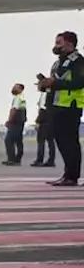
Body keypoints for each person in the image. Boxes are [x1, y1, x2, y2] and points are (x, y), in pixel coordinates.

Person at [42, 31, 84, 187]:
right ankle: (68, 174)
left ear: (69, 44)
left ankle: (72, 176)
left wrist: (54, 84)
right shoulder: (60, 62)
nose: (56, 46)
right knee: (61, 141)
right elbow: (56, 81)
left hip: (70, 107)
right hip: (58, 106)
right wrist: (45, 85)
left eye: (59, 43)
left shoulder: (78, 61)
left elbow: (80, 82)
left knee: (69, 142)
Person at [32, 84, 57, 168]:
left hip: (44, 119)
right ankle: (51, 160)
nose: (38, 87)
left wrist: (38, 121)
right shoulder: (52, 93)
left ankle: (40, 160)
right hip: (52, 119)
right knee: (50, 141)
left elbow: (43, 109)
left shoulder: (45, 95)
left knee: (41, 141)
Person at [3, 83, 28, 166]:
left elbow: (14, 110)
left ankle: (11, 159)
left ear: (20, 89)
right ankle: (18, 159)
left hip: (15, 122)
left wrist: (9, 121)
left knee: (8, 140)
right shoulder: (22, 98)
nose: (13, 88)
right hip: (21, 122)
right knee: (18, 141)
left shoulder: (17, 98)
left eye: (15, 87)